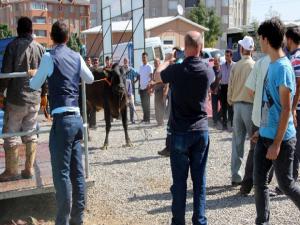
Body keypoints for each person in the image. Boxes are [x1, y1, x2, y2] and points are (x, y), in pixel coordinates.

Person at [29, 21, 94, 225]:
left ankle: (62, 221)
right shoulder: (76, 56)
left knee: (62, 174)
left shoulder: (49, 56)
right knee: (78, 172)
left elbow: (34, 85)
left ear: (52, 36)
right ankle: (78, 219)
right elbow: (90, 78)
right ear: (68, 37)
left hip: (61, 120)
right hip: (76, 119)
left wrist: (34, 73)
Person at [154, 31, 214, 225]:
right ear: (200, 47)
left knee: (179, 183)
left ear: (186, 47)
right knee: (200, 181)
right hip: (201, 129)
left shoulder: (177, 69)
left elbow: (157, 76)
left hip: (180, 131)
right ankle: (200, 220)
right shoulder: (207, 69)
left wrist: (166, 60)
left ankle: (178, 221)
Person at [254, 18, 300, 225]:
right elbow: (268, 103)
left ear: (264, 39)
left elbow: (285, 110)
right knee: (259, 182)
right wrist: (261, 129)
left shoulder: (283, 67)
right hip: (265, 135)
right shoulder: (272, 64)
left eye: (259, 39)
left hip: (280, 140)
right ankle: (262, 221)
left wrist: (277, 143)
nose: (258, 43)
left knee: (287, 184)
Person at [0, 17, 45, 181]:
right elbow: (45, 75)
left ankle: (11, 171)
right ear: (32, 30)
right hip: (35, 98)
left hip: (16, 99)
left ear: (18, 30)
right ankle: (29, 169)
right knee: (30, 133)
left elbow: (5, 74)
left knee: (10, 134)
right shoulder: (40, 48)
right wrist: (44, 94)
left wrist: (0, 92)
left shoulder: (12, 47)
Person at [239, 55, 271, 196]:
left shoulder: (260, 62)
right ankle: (263, 185)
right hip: (275, 118)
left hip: (258, 116)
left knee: (254, 150)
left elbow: (250, 90)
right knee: (275, 152)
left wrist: (259, 100)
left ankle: (246, 186)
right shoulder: (284, 61)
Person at [227, 36, 255, 186]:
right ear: (252, 50)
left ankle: (236, 176)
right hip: (250, 107)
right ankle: (253, 176)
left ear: (241, 49)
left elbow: (230, 87)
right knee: (255, 142)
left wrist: (231, 101)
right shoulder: (254, 66)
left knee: (237, 143)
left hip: (236, 106)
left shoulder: (235, 66)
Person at [285, 27, 300, 180]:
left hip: (297, 108)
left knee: (293, 145)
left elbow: (298, 84)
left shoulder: (295, 58)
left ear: (289, 39)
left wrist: (293, 108)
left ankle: (291, 180)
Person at [219, 49, 235, 130]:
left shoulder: (235, 65)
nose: (226, 57)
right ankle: (224, 124)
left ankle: (232, 123)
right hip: (223, 87)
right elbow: (219, 77)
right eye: (225, 55)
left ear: (231, 56)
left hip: (231, 87)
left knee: (231, 106)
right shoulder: (222, 66)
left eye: (228, 56)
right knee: (224, 106)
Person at [153, 58, 169, 126]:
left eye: (156, 62)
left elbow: (166, 82)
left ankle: (161, 121)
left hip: (162, 89)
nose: (155, 63)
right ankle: (158, 121)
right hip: (156, 89)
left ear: (160, 63)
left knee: (161, 105)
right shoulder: (154, 70)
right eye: (154, 62)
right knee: (156, 105)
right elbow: (153, 80)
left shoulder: (163, 70)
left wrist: (165, 92)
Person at [138, 52, 153, 123]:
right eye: (142, 57)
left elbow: (151, 77)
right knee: (143, 105)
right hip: (141, 88)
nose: (143, 59)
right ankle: (144, 118)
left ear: (147, 58)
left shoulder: (149, 67)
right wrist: (139, 87)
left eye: (145, 57)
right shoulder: (141, 67)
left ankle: (148, 119)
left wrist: (150, 88)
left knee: (147, 104)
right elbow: (140, 77)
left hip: (147, 88)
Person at [210, 55, 221, 126]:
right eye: (214, 61)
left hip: (221, 91)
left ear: (219, 61)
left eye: (216, 61)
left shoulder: (222, 70)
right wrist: (210, 89)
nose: (215, 62)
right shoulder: (211, 70)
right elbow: (208, 80)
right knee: (214, 107)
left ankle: (218, 116)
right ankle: (215, 120)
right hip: (213, 91)